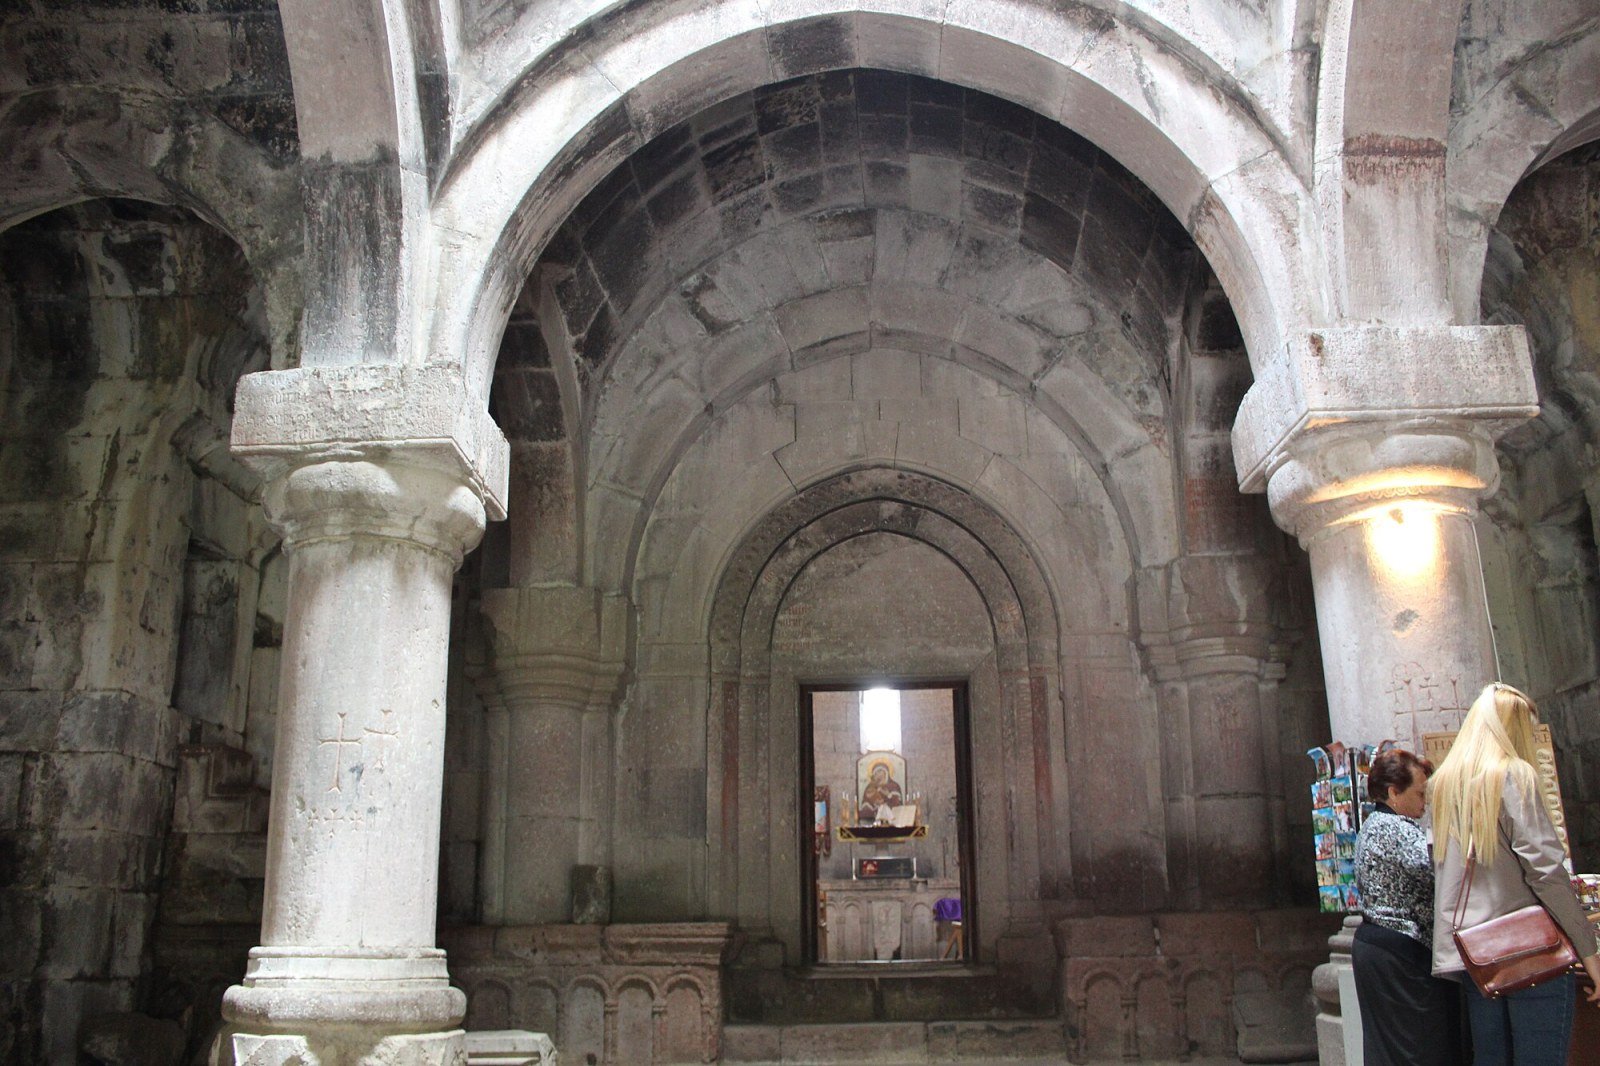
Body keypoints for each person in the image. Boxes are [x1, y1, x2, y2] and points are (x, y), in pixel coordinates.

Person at [1430, 682, 1600, 1065]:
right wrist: (1590, 956)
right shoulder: (1513, 775)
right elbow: (1546, 874)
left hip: (1479, 957)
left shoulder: (1446, 786)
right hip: (1533, 951)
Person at [1352, 748, 1462, 1065]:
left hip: (1379, 949)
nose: (1424, 803)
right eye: (1420, 794)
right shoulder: (1394, 828)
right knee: (1422, 1050)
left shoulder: (1372, 826)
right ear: (1393, 792)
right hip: (1402, 955)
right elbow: (1441, 868)